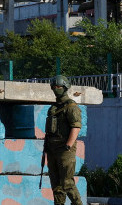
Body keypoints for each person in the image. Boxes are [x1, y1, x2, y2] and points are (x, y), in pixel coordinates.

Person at [45, 75, 84, 205]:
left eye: (59, 87)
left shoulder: (71, 107)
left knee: (67, 183)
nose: (56, 89)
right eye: (54, 87)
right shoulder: (54, 107)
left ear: (65, 87)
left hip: (64, 150)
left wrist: (68, 145)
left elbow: (76, 127)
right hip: (52, 149)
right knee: (56, 184)